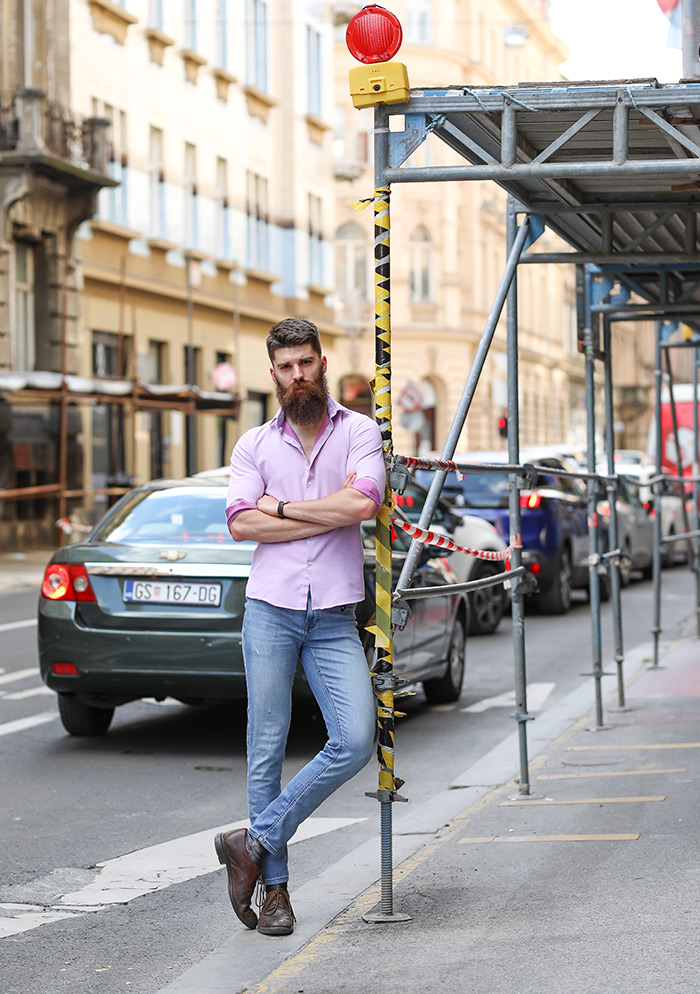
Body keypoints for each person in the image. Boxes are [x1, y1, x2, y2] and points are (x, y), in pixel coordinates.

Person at [216, 317, 385, 937]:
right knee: (266, 748)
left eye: (306, 363)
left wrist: (281, 508)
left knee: (356, 739)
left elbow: (363, 504)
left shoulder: (360, 430)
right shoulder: (253, 446)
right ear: (273, 374)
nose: (297, 376)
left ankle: (251, 841)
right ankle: (277, 895)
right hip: (270, 609)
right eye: (285, 368)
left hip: (335, 615)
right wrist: (326, 515)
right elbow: (240, 525)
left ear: (321, 360)